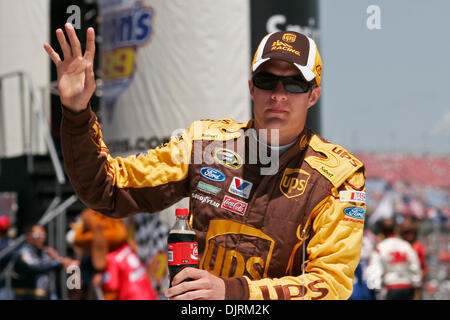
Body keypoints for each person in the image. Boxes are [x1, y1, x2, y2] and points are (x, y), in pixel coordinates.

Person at [44, 24, 366, 300]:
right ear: (252, 87)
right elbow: (108, 189)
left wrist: (231, 292)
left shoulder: (339, 177)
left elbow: (331, 285)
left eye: (294, 84)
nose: (279, 95)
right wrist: (76, 113)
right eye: (268, 81)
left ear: (313, 95)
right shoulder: (205, 144)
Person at [11, 225, 73, 300]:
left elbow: (54, 267)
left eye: (43, 235)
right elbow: (33, 268)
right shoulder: (23, 253)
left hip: (45, 296)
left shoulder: (46, 252)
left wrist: (60, 259)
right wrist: (57, 263)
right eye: (37, 236)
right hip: (26, 296)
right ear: (28, 237)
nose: (42, 238)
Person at [367, 218, 422, 300]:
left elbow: (375, 269)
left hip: (391, 288)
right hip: (407, 287)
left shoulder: (381, 247)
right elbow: (415, 266)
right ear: (396, 229)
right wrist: (416, 282)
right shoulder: (406, 245)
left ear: (381, 230)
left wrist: (375, 288)